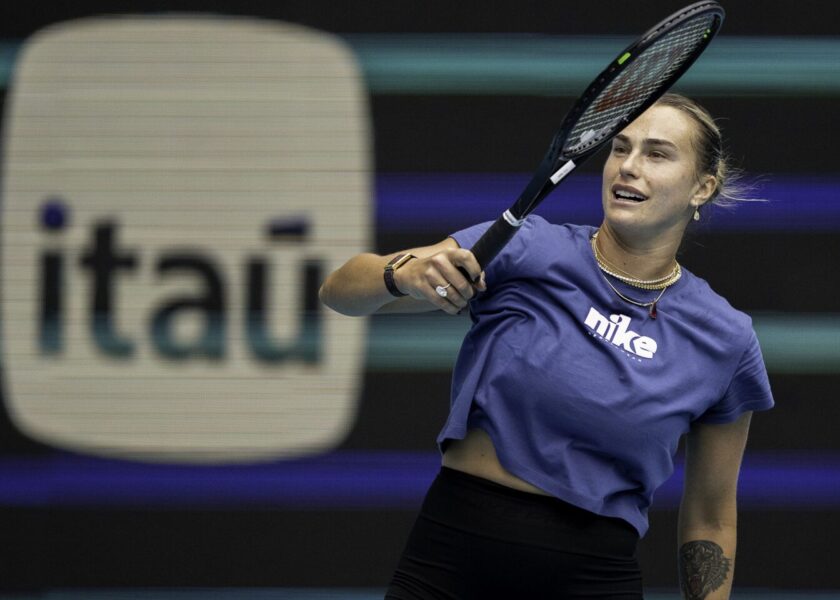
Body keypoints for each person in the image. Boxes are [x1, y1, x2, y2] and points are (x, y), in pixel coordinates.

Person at [320, 93, 774, 600]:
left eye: (657, 154)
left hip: (595, 580)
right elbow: (339, 291)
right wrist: (403, 275)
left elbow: (711, 518)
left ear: (702, 187)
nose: (628, 166)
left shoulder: (726, 337)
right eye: (620, 148)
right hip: (451, 562)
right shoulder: (525, 247)